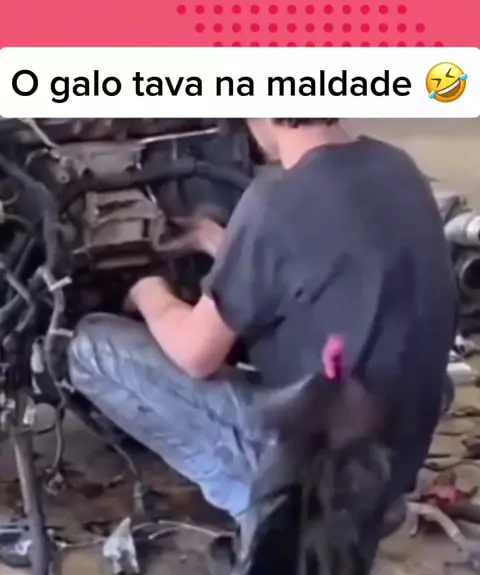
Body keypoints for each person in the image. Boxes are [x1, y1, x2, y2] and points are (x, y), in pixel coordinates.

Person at [68, 119, 457, 544]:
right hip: (394, 446)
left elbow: (193, 354)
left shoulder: (276, 199)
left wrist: (145, 289)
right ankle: (369, 501)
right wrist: (219, 242)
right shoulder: (396, 166)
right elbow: (307, 260)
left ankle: (272, 514)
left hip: (318, 469)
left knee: (89, 346)